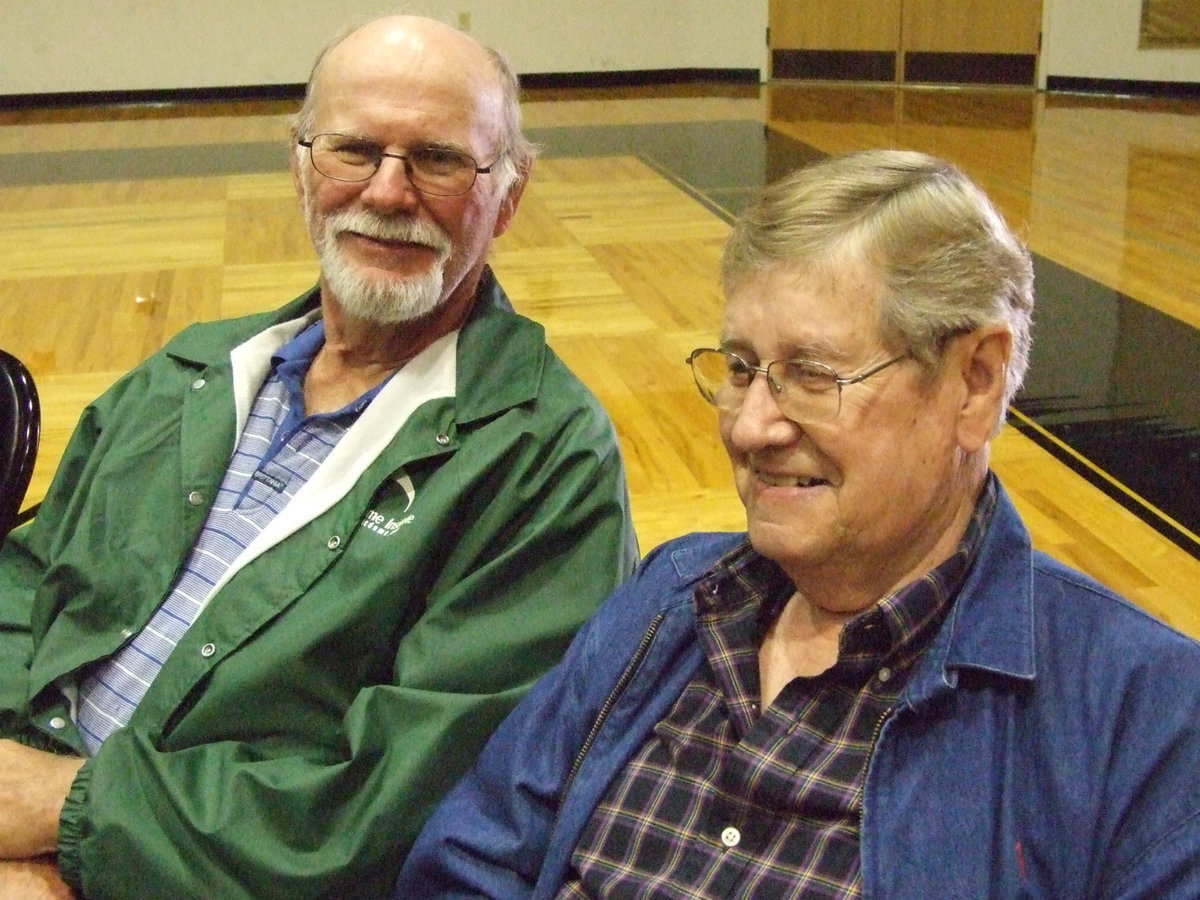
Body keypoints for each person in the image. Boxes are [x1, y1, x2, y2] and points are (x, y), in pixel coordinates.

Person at [395, 149, 1200, 898]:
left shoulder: (1143, 717)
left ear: (976, 382)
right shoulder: (671, 596)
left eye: (812, 377)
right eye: (741, 369)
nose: (750, 427)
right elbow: (471, 861)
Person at [0, 14, 638, 899]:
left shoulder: (545, 462)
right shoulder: (191, 371)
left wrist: (67, 818)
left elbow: (392, 810)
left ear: (510, 193)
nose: (389, 192)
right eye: (353, 150)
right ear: (301, 165)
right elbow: (26, 585)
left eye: (439, 159)